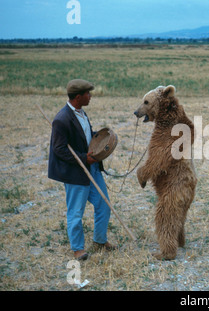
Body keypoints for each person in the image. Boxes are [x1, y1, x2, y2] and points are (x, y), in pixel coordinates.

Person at [48, 79, 116, 261]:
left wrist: (99, 143)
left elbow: (86, 137)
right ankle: (78, 249)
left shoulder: (82, 113)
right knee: (75, 212)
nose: (90, 96)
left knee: (104, 204)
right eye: (88, 94)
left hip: (91, 168)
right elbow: (59, 150)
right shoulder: (61, 120)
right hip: (75, 173)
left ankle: (100, 240)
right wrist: (83, 157)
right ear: (78, 97)